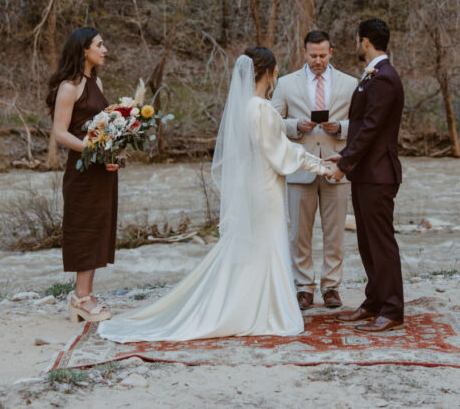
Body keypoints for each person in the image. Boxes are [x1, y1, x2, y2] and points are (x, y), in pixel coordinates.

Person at [97, 47, 333, 342]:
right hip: (265, 188)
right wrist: (322, 166)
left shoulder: (246, 106)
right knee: (266, 244)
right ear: (270, 73)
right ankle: (260, 310)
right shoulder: (261, 108)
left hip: (253, 183)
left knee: (252, 247)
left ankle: (251, 303)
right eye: (276, 71)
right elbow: (281, 153)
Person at [328, 18, 405, 334]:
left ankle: (392, 309)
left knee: (381, 242)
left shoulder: (384, 78)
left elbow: (372, 128)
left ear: (365, 42)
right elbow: (365, 126)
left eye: (357, 40)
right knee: (367, 242)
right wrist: (345, 156)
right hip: (365, 172)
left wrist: (344, 164)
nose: (356, 44)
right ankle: (373, 302)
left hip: (378, 174)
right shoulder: (374, 75)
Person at [272, 30, 358, 311]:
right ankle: (304, 288)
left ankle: (331, 287)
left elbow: (362, 123)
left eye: (323, 55)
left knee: (334, 232)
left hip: (336, 166)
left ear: (331, 52)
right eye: (313, 55)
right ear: (304, 52)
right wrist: (296, 125)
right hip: (299, 165)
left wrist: (341, 127)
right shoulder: (285, 83)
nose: (318, 60)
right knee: (299, 233)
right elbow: (272, 122)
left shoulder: (350, 83)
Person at [47, 27, 118, 324]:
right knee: (84, 229)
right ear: (83, 50)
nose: (105, 50)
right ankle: (80, 298)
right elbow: (60, 132)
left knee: (99, 227)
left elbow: (101, 128)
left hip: (101, 171)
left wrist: (112, 152)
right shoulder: (69, 86)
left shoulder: (96, 81)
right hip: (82, 170)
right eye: (99, 45)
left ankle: (86, 295)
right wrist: (93, 150)